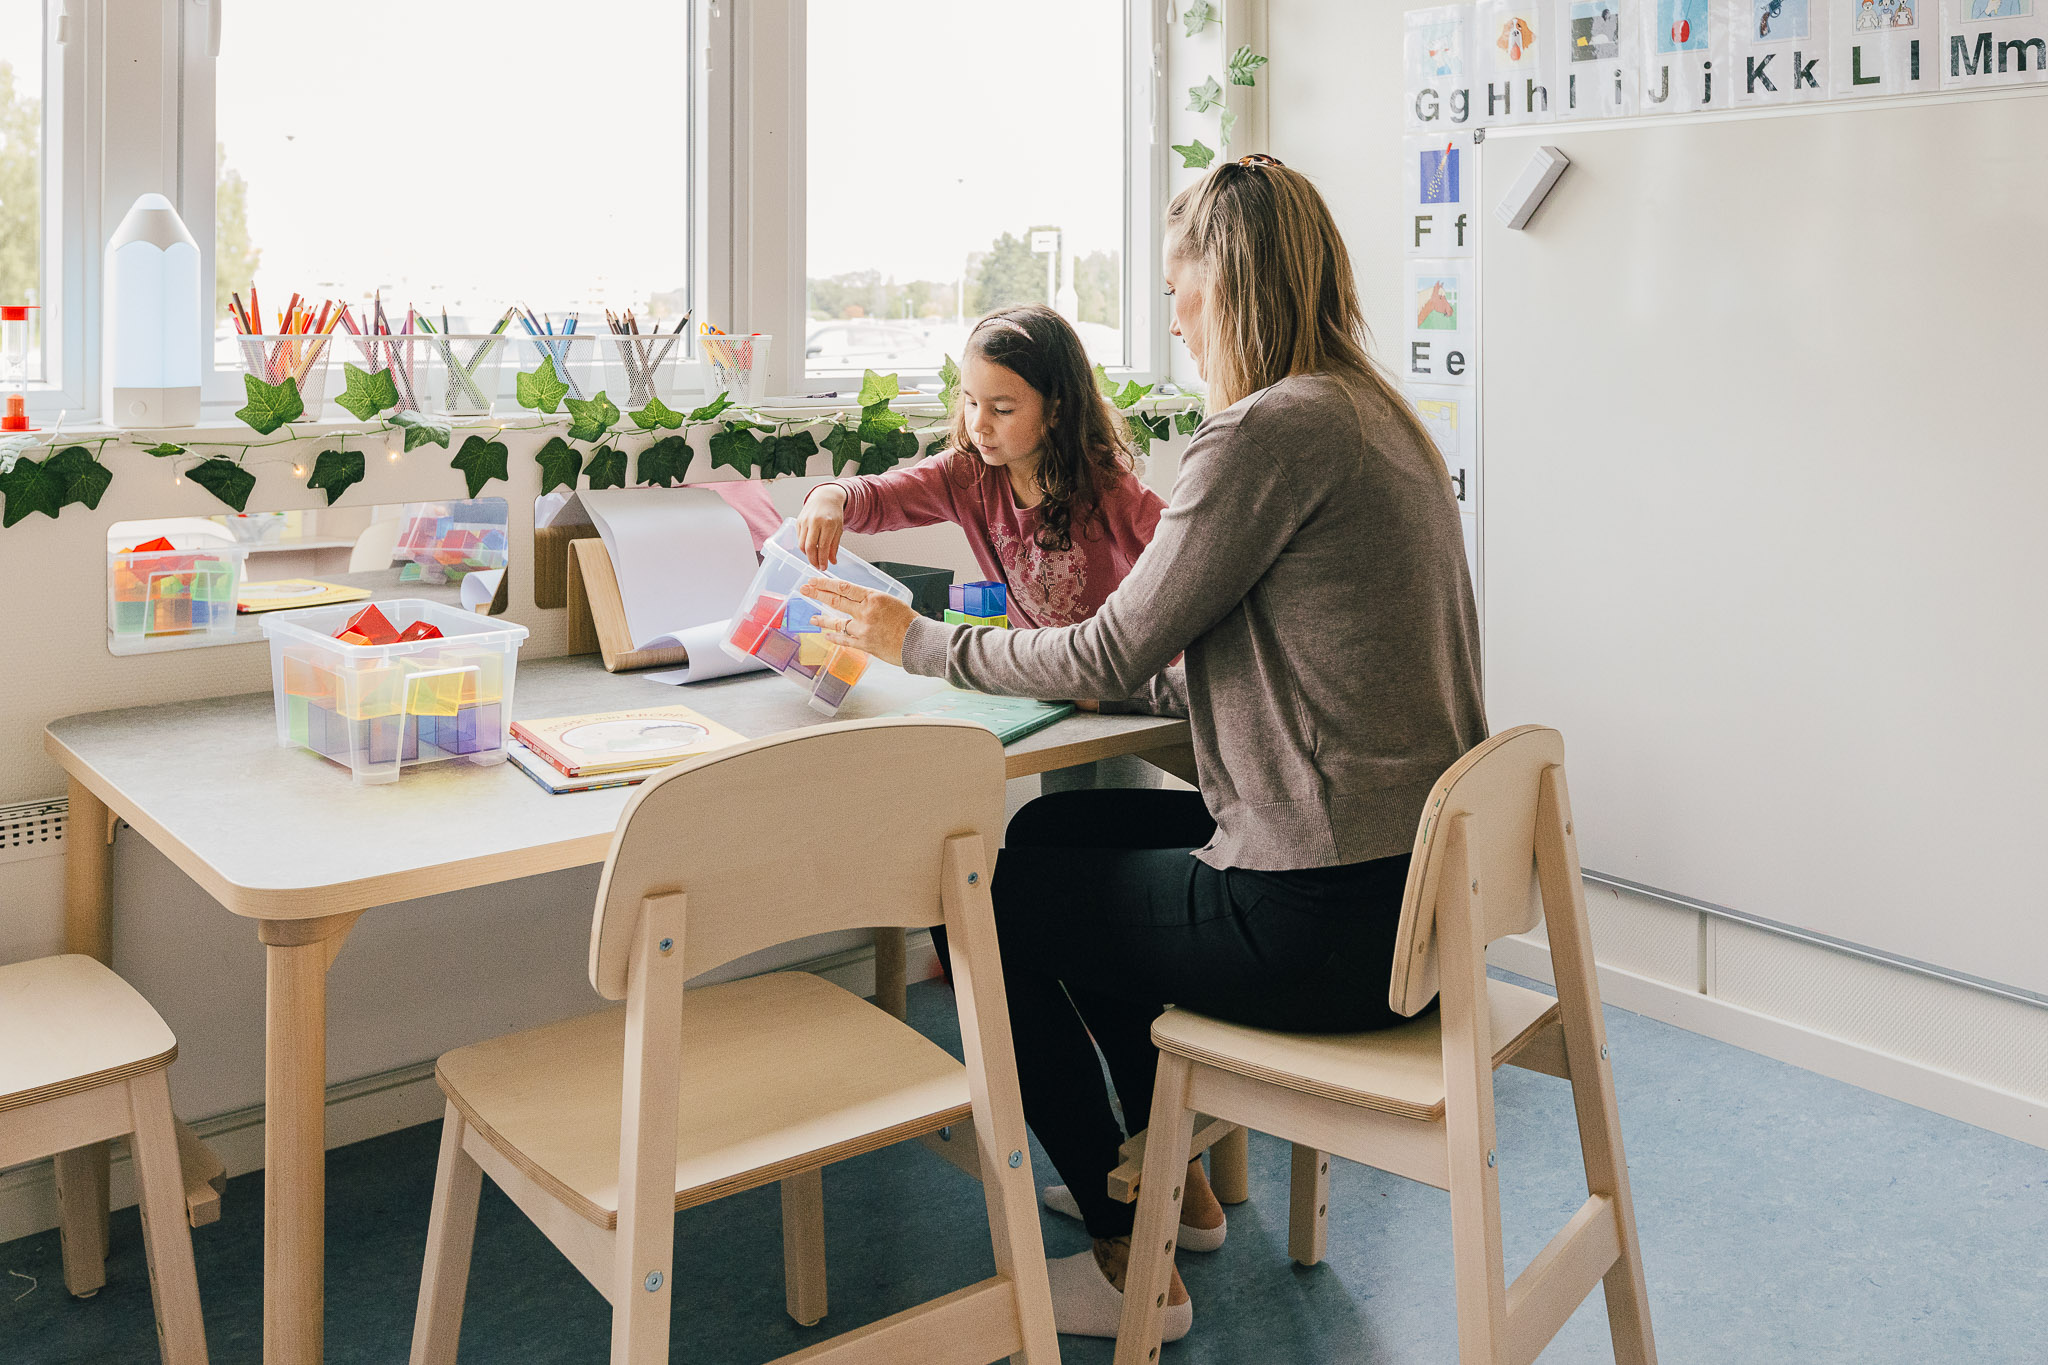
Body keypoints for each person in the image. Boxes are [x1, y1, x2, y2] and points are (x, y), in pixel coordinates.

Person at [806, 155, 1486, 1341]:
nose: (1170, 315)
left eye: (1178, 288)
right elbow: (1244, 653)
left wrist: (914, 640)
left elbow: (1099, 653)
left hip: (1318, 919)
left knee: (972, 890)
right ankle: (1152, 1178)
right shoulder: (1377, 416)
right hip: (1411, 894)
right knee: (1058, 834)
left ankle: (1132, 1257)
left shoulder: (1262, 433)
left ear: (1227, 286)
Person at [796, 303, 1167, 791]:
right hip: (1049, 684)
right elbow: (885, 495)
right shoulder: (966, 474)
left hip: (1122, 693)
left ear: (1056, 409)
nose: (980, 424)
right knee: (1061, 822)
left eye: (1003, 409)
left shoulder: (1106, 486)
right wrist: (832, 496)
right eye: (971, 402)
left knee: (1120, 824)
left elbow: (1183, 557)